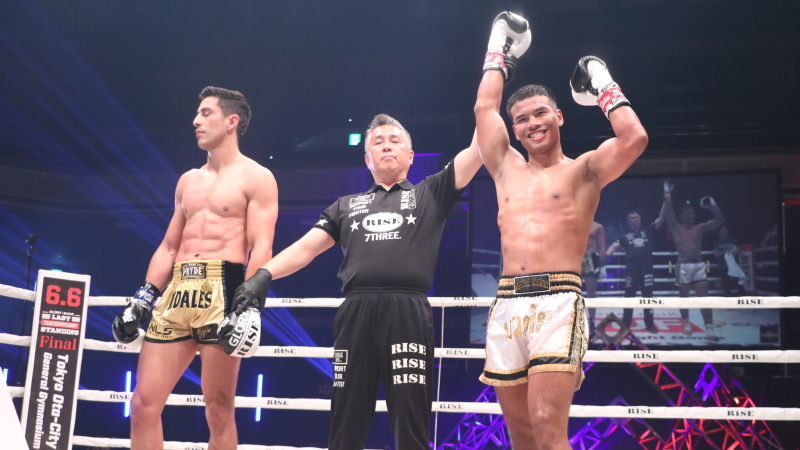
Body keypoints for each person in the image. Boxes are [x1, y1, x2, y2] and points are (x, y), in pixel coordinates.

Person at [232, 114, 482, 449]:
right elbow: (306, 248)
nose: (386, 146)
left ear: (411, 156)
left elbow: (478, 149)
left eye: (395, 140)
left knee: (411, 423)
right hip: (356, 313)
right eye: (378, 142)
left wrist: (488, 92)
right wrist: (263, 275)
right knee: (346, 420)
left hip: (407, 313)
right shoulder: (345, 206)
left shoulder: (430, 193)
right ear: (367, 159)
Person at [474, 12, 648, 449]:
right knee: (520, 433)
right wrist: (498, 49)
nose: (532, 123)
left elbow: (634, 138)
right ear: (514, 130)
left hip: (558, 300)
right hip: (507, 302)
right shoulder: (504, 168)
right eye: (522, 119)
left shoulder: (583, 171)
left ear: (559, 116)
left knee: (546, 421)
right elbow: (484, 110)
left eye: (541, 113)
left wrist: (601, 79)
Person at [111, 87, 278, 450]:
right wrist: (142, 298)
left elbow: (261, 246)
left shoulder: (257, 177)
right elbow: (170, 246)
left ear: (231, 121)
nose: (195, 121)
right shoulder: (188, 180)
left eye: (205, 113)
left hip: (224, 289)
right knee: (142, 404)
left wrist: (248, 306)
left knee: (218, 409)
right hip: (176, 292)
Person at [662, 180, 725, 341]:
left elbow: (720, 220)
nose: (691, 216)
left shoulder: (700, 228)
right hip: (683, 264)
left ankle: (709, 330)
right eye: (687, 214)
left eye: (692, 213)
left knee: (704, 299)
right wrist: (667, 192)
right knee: (684, 299)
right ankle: (687, 325)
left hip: (698, 264)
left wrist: (712, 205)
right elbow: (668, 210)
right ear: (681, 217)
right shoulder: (675, 227)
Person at [605, 208, 665, 333]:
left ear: (640, 220)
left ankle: (649, 324)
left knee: (648, 297)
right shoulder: (624, 236)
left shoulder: (647, 231)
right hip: (632, 268)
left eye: (637, 217)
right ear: (628, 222)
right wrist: (605, 258)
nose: (635, 219)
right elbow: (614, 246)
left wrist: (666, 200)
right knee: (629, 296)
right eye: (632, 218)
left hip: (647, 267)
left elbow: (660, 219)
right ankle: (625, 324)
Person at [583, 221, 605, 335]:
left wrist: (601, 264)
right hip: (576, 257)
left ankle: (592, 321)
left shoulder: (597, 227)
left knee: (591, 293)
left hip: (591, 257)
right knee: (571, 292)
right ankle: (571, 320)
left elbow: (602, 246)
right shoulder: (574, 223)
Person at [712, 226, 745, 296]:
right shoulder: (717, 243)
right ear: (719, 233)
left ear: (728, 232)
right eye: (722, 230)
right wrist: (726, 250)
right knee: (726, 286)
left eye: (726, 230)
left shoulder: (733, 241)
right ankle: (728, 300)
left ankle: (742, 299)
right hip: (723, 266)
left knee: (738, 284)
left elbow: (738, 250)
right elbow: (716, 254)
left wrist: (732, 250)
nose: (724, 232)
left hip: (733, 265)